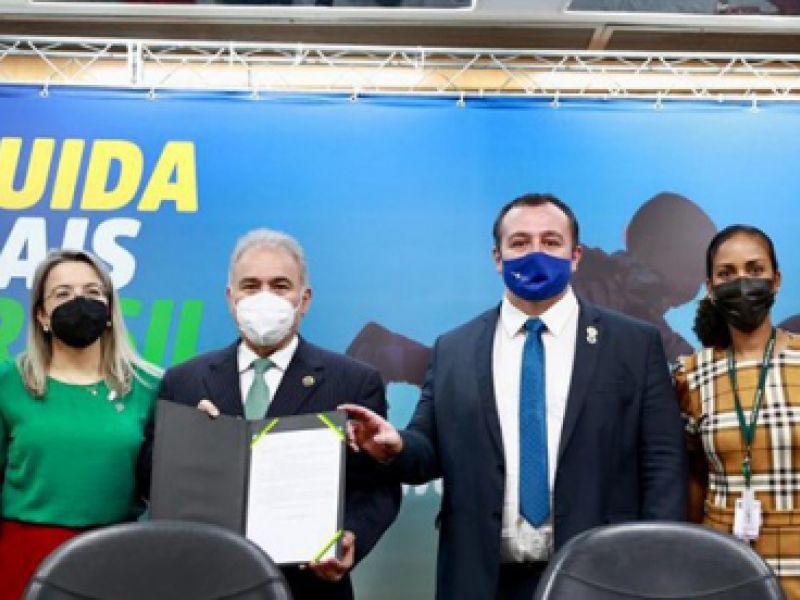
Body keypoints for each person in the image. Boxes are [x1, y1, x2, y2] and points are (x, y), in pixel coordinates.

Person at [342, 192, 687, 600]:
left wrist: (656, 564)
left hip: (601, 578)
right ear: (497, 257)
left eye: (551, 242)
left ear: (575, 256)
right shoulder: (454, 348)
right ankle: (385, 346)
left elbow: (663, 461)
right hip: (482, 580)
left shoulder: (633, 343)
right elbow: (428, 448)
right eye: (520, 242)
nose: (535, 254)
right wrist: (396, 446)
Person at [138, 229, 401, 600]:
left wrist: (350, 538)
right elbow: (149, 478)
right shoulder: (184, 381)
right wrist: (190, 440)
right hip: (207, 582)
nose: (264, 298)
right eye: (250, 286)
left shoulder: (353, 382)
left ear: (304, 300)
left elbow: (377, 488)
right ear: (231, 298)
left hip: (308, 587)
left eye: (280, 286)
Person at [0, 249, 161, 600]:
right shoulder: (8, 382)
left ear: (110, 310)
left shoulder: (150, 387)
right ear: (41, 315)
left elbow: (171, 479)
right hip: (25, 557)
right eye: (63, 294)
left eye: (92, 292)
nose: (80, 303)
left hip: (117, 554)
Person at [676, 224, 800, 599]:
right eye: (727, 274)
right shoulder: (690, 374)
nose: (742, 283)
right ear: (711, 289)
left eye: (755, 269)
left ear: (776, 280)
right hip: (724, 568)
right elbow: (693, 476)